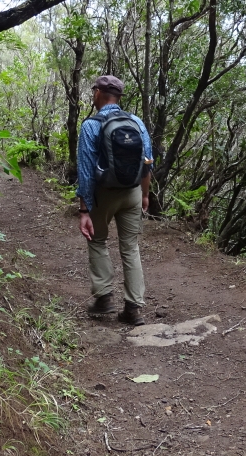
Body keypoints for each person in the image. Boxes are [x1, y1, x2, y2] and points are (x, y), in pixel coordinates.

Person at [76, 75, 153, 326]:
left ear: (98, 93)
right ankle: (133, 309)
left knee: (97, 240)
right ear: (119, 97)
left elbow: (86, 171)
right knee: (130, 247)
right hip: (132, 192)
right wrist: (144, 195)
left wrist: (84, 209)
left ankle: (104, 298)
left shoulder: (90, 126)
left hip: (103, 194)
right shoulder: (136, 122)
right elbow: (147, 163)